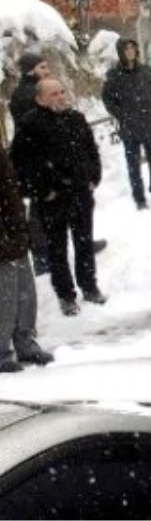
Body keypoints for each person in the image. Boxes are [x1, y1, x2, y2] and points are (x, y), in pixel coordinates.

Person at [10, 79, 105, 317]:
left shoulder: (76, 119)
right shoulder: (30, 125)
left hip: (80, 192)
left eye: (62, 92)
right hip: (52, 199)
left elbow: (91, 150)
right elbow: (20, 165)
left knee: (84, 242)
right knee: (57, 249)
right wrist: (41, 191)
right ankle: (66, 295)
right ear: (40, 99)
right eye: (54, 94)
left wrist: (94, 176)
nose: (61, 97)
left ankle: (89, 286)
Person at [0, 147, 53, 372]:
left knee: (25, 292)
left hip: (14, 226)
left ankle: (25, 342)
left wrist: (20, 224)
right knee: (5, 296)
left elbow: (9, 187)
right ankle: (2, 351)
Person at [102, 39, 151, 210]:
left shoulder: (147, 71)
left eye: (133, 48)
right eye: (127, 49)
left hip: (150, 125)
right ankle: (139, 199)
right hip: (130, 129)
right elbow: (107, 99)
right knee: (134, 167)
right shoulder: (114, 76)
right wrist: (122, 115)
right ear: (120, 52)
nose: (131, 51)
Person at [9, 53, 54, 275]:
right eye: (42, 67)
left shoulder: (30, 91)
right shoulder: (27, 94)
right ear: (30, 70)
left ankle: (48, 253)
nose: (47, 71)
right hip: (36, 160)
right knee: (40, 208)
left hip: (39, 158)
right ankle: (42, 258)